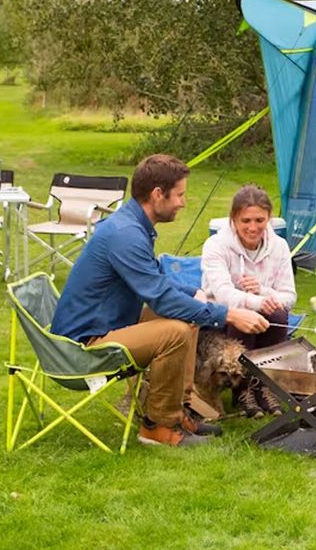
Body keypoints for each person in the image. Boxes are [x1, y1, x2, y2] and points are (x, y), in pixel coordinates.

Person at [52, 154, 269, 447]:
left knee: (187, 318)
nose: (183, 201)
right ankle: (157, 427)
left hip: (106, 327)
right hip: (82, 347)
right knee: (175, 332)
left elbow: (156, 279)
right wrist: (228, 314)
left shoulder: (132, 226)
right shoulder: (125, 234)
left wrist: (193, 292)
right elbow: (162, 299)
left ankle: (180, 411)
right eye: (179, 194)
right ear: (157, 195)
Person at [201, 184, 296, 416]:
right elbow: (223, 294)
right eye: (246, 221)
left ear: (269, 219)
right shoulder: (216, 245)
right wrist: (257, 302)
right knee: (246, 313)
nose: (253, 228)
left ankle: (264, 386)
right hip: (220, 318)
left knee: (279, 314)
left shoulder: (280, 246)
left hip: (264, 316)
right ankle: (242, 390)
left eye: (259, 220)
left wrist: (263, 291)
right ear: (233, 219)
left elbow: (290, 297)